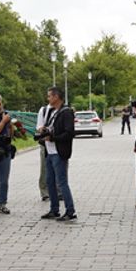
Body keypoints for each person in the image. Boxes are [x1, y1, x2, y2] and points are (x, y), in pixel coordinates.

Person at [38, 87, 76, 220]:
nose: (48, 99)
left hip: (59, 151)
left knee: (61, 182)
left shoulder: (66, 112)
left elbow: (69, 133)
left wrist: (53, 137)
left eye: (49, 96)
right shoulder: (54, 112)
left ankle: (70, 210)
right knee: (49, 181)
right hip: (49, 151)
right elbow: (52, 128)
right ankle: (54, 209)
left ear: (56, 97)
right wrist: (45, 132)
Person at [36, 99, 53, 202]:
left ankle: (59, 192)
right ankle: (45, 192)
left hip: (59, 144)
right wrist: (44, 130)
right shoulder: (44, 110)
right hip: (46, 143)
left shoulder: (63, 110)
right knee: (45, 168)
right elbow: (39, 126)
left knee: (60, 169)